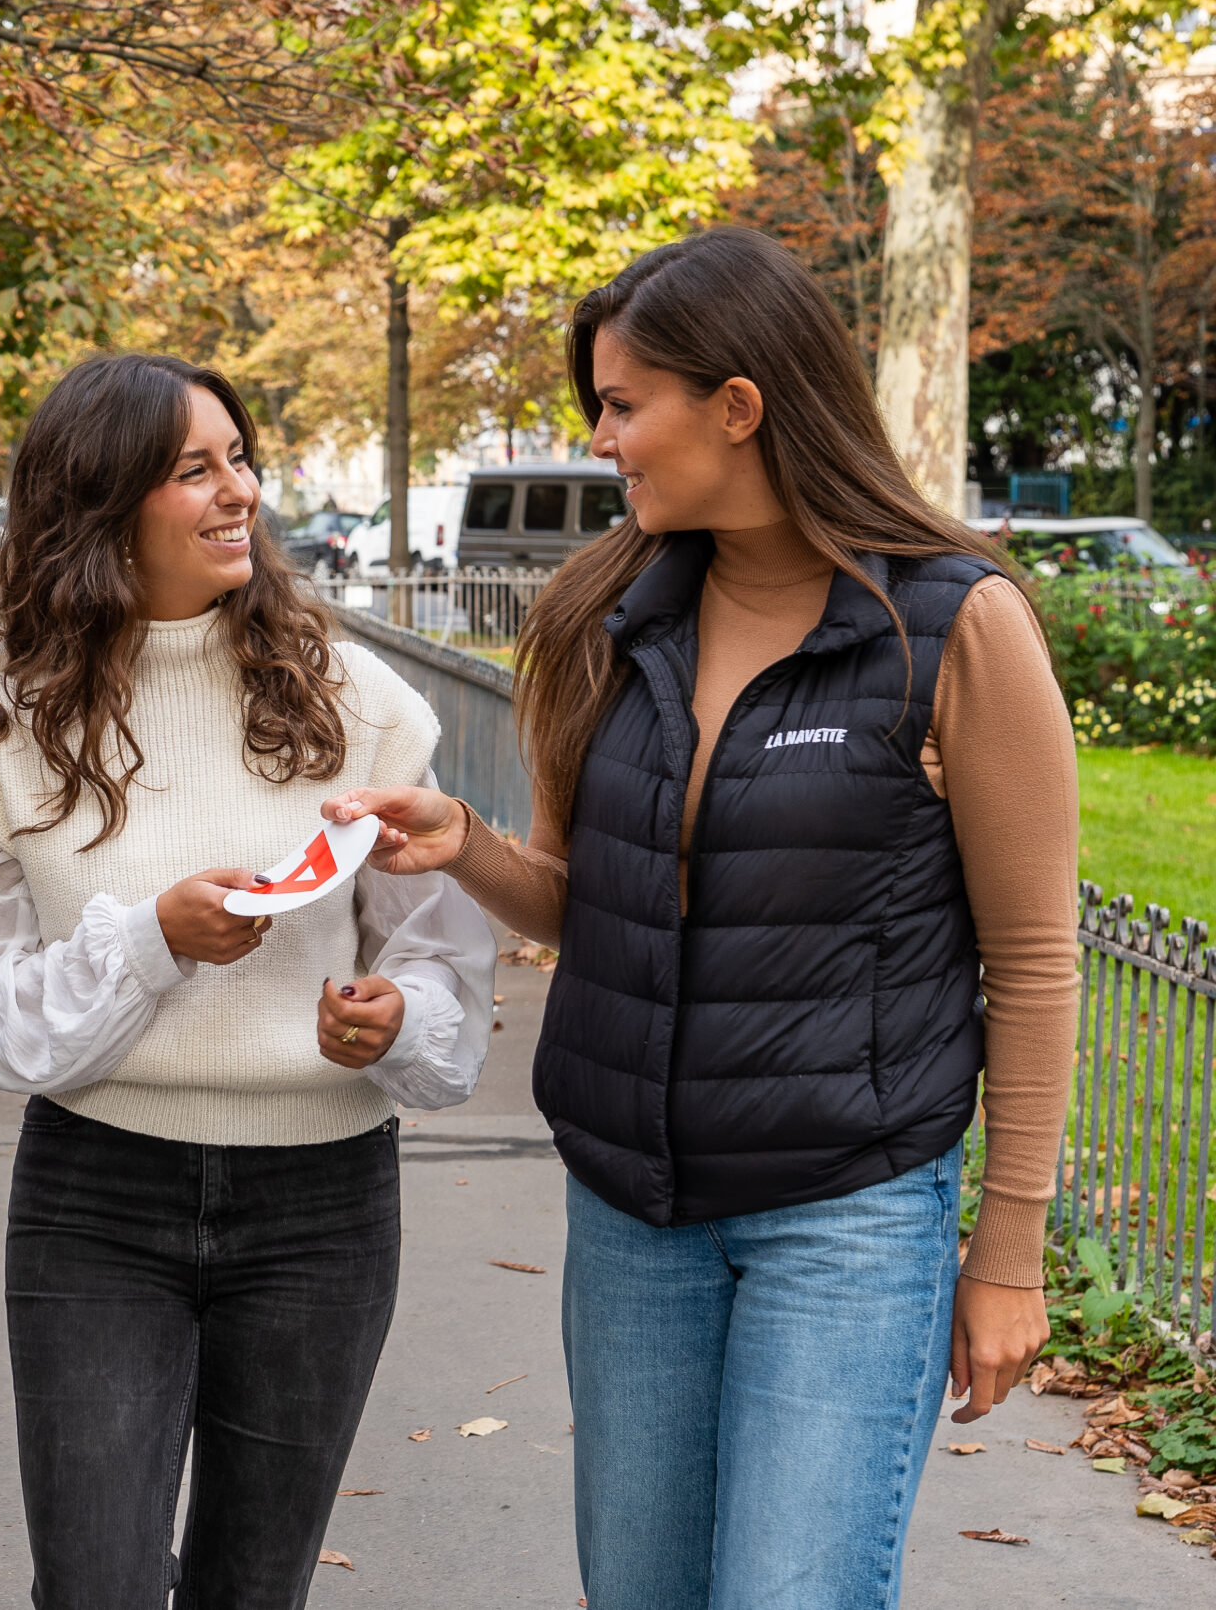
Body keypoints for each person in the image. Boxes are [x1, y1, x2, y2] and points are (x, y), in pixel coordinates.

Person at [326, 225, 1077, 1607]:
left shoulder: (953, 624)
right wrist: (468, 847)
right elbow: (578, 898)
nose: (604, 439)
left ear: (739, 404)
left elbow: (1030, 961)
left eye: (624, 404)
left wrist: (1008, 1252)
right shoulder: (601, 618)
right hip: (633, 1219)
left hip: (845, 1219)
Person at [0, 353, 496, 1607]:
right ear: (99, 500)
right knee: (95, 1588)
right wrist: (151, 944)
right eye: (195, 469)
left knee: (252, 1588)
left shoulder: (366, 707)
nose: (237, 491)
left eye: (239, 459)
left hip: (323, 1204)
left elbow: (442, 970)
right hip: (96, 1195)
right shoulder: (1, 732)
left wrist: (393, 1022)